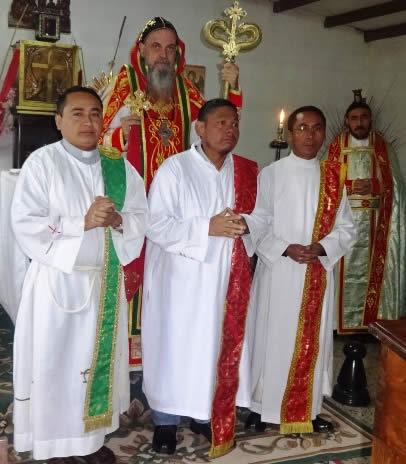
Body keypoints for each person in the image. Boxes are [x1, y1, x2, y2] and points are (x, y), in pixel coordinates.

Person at [10, 86, 147, 463]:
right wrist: (81, 222)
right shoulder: (43, 162)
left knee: (95, 368)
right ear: (58, 121)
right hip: (58, 283)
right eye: (77, 113)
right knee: (57, 366)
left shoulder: (119, 167)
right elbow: (25, 222)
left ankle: (91, 442)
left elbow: (141, 216)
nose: (88, 121)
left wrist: (118, 220)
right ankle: (55, 445)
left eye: (95, 113)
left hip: (105, 283)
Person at [98, 17, 243, 366]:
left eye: (169, 48)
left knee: (170, 279)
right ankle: (131, 354)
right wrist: (120, 134)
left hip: (176, 208)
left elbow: (217, 124)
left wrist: (234, 86)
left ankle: (165, 349)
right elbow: (97, 140)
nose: (163, 55)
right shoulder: (125, 84)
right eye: (156, 47)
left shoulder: (185, 89)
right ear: (142, 50)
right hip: (134, 202)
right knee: (133, 272)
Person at [141, 99, 257, 458]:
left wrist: (248, 224)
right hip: (181, 282)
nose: (230, 129)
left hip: (227, 281)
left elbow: (264, 216)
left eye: (234, 123)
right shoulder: (175, 169)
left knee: (214, 346)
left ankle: (205, 413)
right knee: (175, 348)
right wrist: (207, 227)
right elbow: (155, 224)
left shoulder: (246, 171)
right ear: (200, 128)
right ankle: (165, 421)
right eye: (221, 122)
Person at [243, 106, 356, 434]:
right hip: (278, 271)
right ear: (290, 134)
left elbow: (347, 227)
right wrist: (284, 248)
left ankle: (309, 408)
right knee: (270, 338)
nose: (310, 135)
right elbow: (258, 221)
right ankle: (260, 407)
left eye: (317, 128)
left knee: (312, 341)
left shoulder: (334, 176)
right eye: (303, 128)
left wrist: (322, 247)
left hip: (316, 269)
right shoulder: (271, 174)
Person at [325, 96, 406, 333]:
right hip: (342, 221)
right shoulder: (335, 147)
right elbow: (324, 184)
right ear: (346, 121)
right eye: (354, 118)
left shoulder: (383, 147)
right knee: (341, 271)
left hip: (375, 223)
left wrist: (375, 185)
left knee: (372, 271)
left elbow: (397, 186)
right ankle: (335, 324)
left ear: (371, 120)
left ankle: (371, 322)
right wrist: (350, 186)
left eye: (363, 118)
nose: (359, 122)